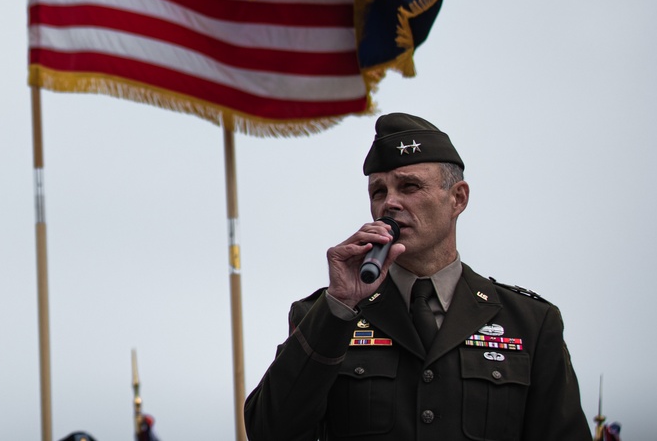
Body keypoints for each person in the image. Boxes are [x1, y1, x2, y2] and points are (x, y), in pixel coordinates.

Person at [244, 113, 590, 441]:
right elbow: (271, 431)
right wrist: (339, 307)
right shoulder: (327, 314)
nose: (390, 203)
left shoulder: (529, 322)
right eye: (379, 191)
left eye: (410, 187)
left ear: (458, 198)